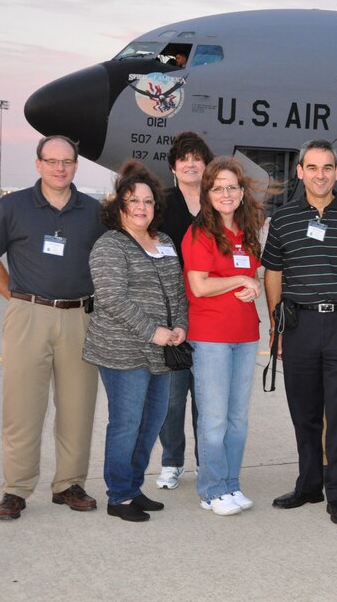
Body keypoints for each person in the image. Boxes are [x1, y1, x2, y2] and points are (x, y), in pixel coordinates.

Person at [0, 135, 104, 520]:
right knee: (22, 408)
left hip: (80, 316)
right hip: (28, 315)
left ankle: (69, 484)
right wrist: (15, 298)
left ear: (76, 166)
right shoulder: (12, 206)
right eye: (52, 161)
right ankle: (16, 489)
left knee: (78, 407)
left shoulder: (93, 211)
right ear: (38, 164)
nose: (60, 168)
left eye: (67, 162)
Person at [263, 139, 337, 525]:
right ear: (300, 172)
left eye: (327, 167)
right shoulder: (283, 220)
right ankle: (309, 485)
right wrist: (276, 327)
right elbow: (273, 274)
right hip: (299, 326)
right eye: (312, 167)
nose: (320, 175)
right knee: (305, 412)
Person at [81, 161, 188, 522]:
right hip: (123, 350)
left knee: (152, 421)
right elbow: (112, 298)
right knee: (126, 423)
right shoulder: (110, 245)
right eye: (133, 200)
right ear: (119, 206)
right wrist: (153, 331)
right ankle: (119, 497)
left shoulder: (165, 242)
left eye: (148, 200)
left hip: (163, 351)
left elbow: (177, 290)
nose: (141, 206)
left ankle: (133, 486)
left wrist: (180, 328)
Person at [183, 158, 265, 516]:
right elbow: (199, 286)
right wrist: (240, 281)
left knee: (237, 419)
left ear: (242, 191)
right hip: (212, 337)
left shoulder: (246, 232)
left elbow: (253, 275)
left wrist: (254, 286)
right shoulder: (200, 233)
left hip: (246, 335)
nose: (226, 193)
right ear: (208, 194)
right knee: (214, 418)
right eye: (218, 188)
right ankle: (211, 489)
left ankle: (231, 484)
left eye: (232, 187)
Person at [156, 131, 214, 491]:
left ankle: (206, 462)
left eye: (196, 158)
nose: (190, 164)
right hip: (172, 311)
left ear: (206, 165)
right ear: (174, 167)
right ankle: (171, 461)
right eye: (183, 159)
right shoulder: (162, 204)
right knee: (174, 398)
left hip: (210, 311)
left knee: (207, 398)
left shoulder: (219, 202)